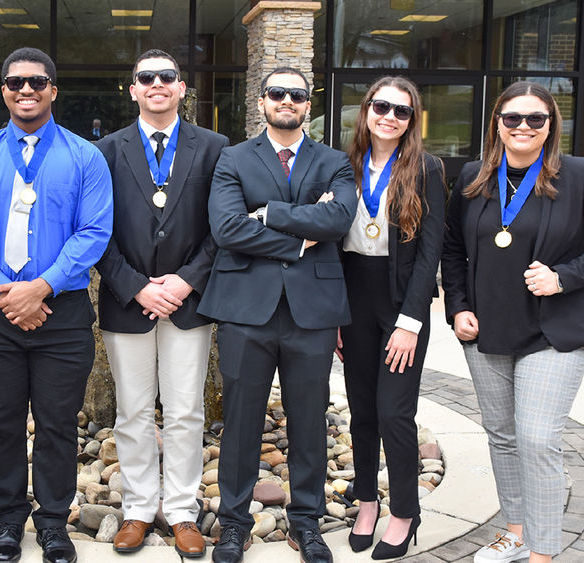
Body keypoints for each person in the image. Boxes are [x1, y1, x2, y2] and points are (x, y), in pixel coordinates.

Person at [0, 47, 113, 563]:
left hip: (60, 313)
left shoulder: (85, 157)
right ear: (3, 90)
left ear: (53, 91)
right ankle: (8, 521)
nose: (27, 90)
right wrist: (7, 291)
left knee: (58, 422)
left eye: (37, 82)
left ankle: (51, 524)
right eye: (16, 82)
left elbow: (94, 233)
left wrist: (40, 287)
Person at [198, 66, 357, 563]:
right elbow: (227, 229)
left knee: (309, 421)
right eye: (277, 93)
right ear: (261, 100)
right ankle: (233, 524)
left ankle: (306, 522)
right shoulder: (233, 158)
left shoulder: (335, 161)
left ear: (309, 104)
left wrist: (266, 213)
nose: (286, 100)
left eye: (297, 94)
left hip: (312, 311)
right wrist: (303, 236)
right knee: (241, 422)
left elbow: (338, 218)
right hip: (245, 309)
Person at [441, 80, 584, 563]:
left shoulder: (579, 178)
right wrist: (457, 306)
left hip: (551, 332)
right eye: (512, 119)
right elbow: (453, 250)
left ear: (550, 126)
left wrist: (564, 277)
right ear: (497, 125)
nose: (523, 127)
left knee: (538, 438)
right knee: (502, 436)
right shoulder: (472, 177)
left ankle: (543, 552)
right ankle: (516, 531)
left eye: (535, 119)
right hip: (485, 330)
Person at [95, 48, 228, 558]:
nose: (157, 84)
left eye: (167, 76)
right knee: (131, 412)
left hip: (188, 302)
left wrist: (184, 281)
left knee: (186, 411)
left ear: (181, 88)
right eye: (146, 77)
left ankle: (181, 510)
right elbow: (94, 231)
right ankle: (136, 507)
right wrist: (137, 286)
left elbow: (224, 226)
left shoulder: (215, 148)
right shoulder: (105, 150)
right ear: (132, 89)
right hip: (127, 299)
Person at [338, 76, 445, 560]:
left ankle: (404, 512)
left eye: (401, 111)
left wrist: (410, 321)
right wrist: (336, 312)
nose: (390, 116)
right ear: (366, 110)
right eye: (382, 106)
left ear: (411, 120)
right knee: (361, 411)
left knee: (394, 413)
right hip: (353, 298)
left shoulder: (427, 168)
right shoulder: (344, 165)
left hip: (400, 301)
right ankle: (366, 502)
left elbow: (430, 253)